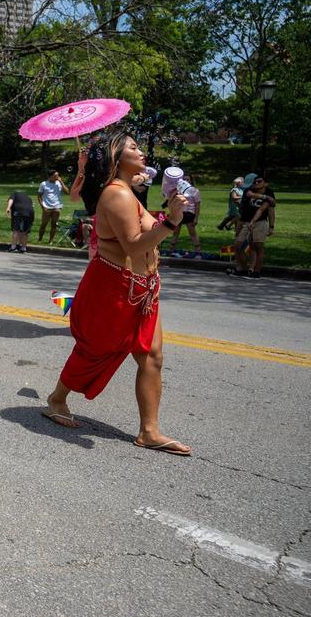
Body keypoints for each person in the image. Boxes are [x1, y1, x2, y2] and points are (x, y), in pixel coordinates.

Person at [41, 130, 192, 457]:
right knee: (95, 350)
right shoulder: (118, 195)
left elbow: (150, 230)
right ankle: (56, 399)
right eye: (134, 148)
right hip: (115, 288)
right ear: (116, 158)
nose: (141, 153)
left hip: (144, 289)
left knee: (152, 356)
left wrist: (170, 214)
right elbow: (134, 244)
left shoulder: (127, 192)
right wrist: (170, 223)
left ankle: (149, 431)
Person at [230, 174, 275, 279]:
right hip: (245, 221)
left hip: (260, 222)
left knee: (257, 247)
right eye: (255, 182)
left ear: (266, 184)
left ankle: (256, 271)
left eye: (259, 181)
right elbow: (249, 195)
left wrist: (271, 226)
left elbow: (268, 210)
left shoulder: (270, 192)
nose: (256, 183)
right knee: (237, 245)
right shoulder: (249, 190)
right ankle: (243, 268)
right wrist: (265, 197)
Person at [168, 173, 202, 257]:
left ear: (191, 181)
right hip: (178, 212)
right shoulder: (177, 190)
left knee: (192, 232)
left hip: (189, 213)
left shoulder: (194, 190)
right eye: (184, 179)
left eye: (188, 179)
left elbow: (197, 205)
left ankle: (198, 252)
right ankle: (171, 251)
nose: (186, 181)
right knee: (175, 232)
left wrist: (196, 218)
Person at [37, 170, 68, 243]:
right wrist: (43, 207)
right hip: (47, 207)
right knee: (43, 224)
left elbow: (67, 192)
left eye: (58, 175)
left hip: (57, 207)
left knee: (54, 225)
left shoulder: (59, 183)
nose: (57, 177)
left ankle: (51, 241)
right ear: (50, 176)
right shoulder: (43, 184)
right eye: (55, 176)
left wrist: (61, 182)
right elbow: (39, 196)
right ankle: (40, 239)